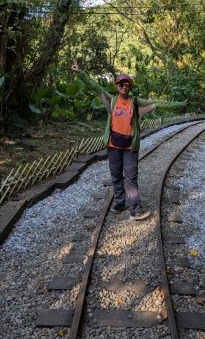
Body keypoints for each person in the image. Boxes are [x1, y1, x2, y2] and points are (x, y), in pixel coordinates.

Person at [71, 61, 186, 220]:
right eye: (121, 84)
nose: (124, 86)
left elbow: (159, 103)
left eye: (127, 84)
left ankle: (136, 210)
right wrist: (80, 72)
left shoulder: (136, 102)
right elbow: (94, 86)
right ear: (117, 86)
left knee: (131, 177)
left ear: (130, 86)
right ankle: (119, 203)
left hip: (130, 147)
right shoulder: (111, 100)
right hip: (113, 145)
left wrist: (180, 106)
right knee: (116, 176)